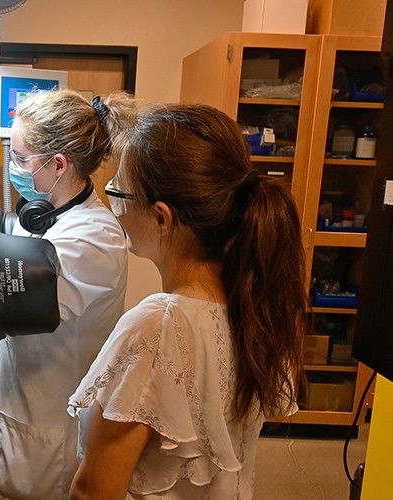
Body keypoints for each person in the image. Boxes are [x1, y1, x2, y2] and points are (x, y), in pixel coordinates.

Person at [68, 103, 309, 499]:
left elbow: (94, 491)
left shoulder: (158, 325)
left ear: (162, 218)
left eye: (119, 192)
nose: (115, 207)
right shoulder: (253, 304)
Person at [0, 90, 137, 499]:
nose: (13, 167)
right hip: (20, 403)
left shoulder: (93, 238)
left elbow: (7, 299)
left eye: (20, 158)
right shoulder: (41, 213)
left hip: (50, 425)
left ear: (58, 164)